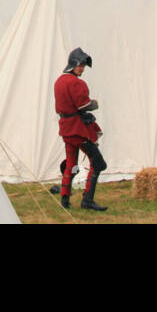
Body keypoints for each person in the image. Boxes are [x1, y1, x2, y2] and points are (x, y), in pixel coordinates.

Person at [54, 47, 108, 211]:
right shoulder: (76, 83)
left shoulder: (59, 81)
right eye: (81, 65)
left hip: (66, 129)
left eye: (83, 65)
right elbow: (83, 104)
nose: (83, 68)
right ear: (74, 64)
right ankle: (87, 200)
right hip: (77, 130)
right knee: (98, 163)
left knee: (71, 165)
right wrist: (94, 104)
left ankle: (64, 199)